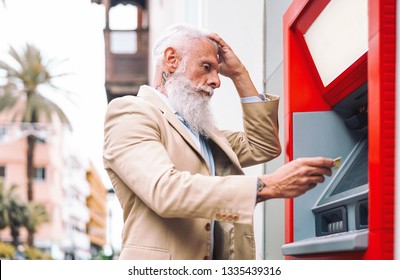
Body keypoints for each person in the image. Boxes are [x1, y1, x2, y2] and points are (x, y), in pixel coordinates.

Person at [103, 24, 335, 260]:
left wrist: (239, 74)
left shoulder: (201, 131)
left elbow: (263, 145)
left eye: (217, 71)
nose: (216, 81)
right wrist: (268, 186)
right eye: (206, 68)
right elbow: (164, 190)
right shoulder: (130, 113)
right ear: (171, 59)